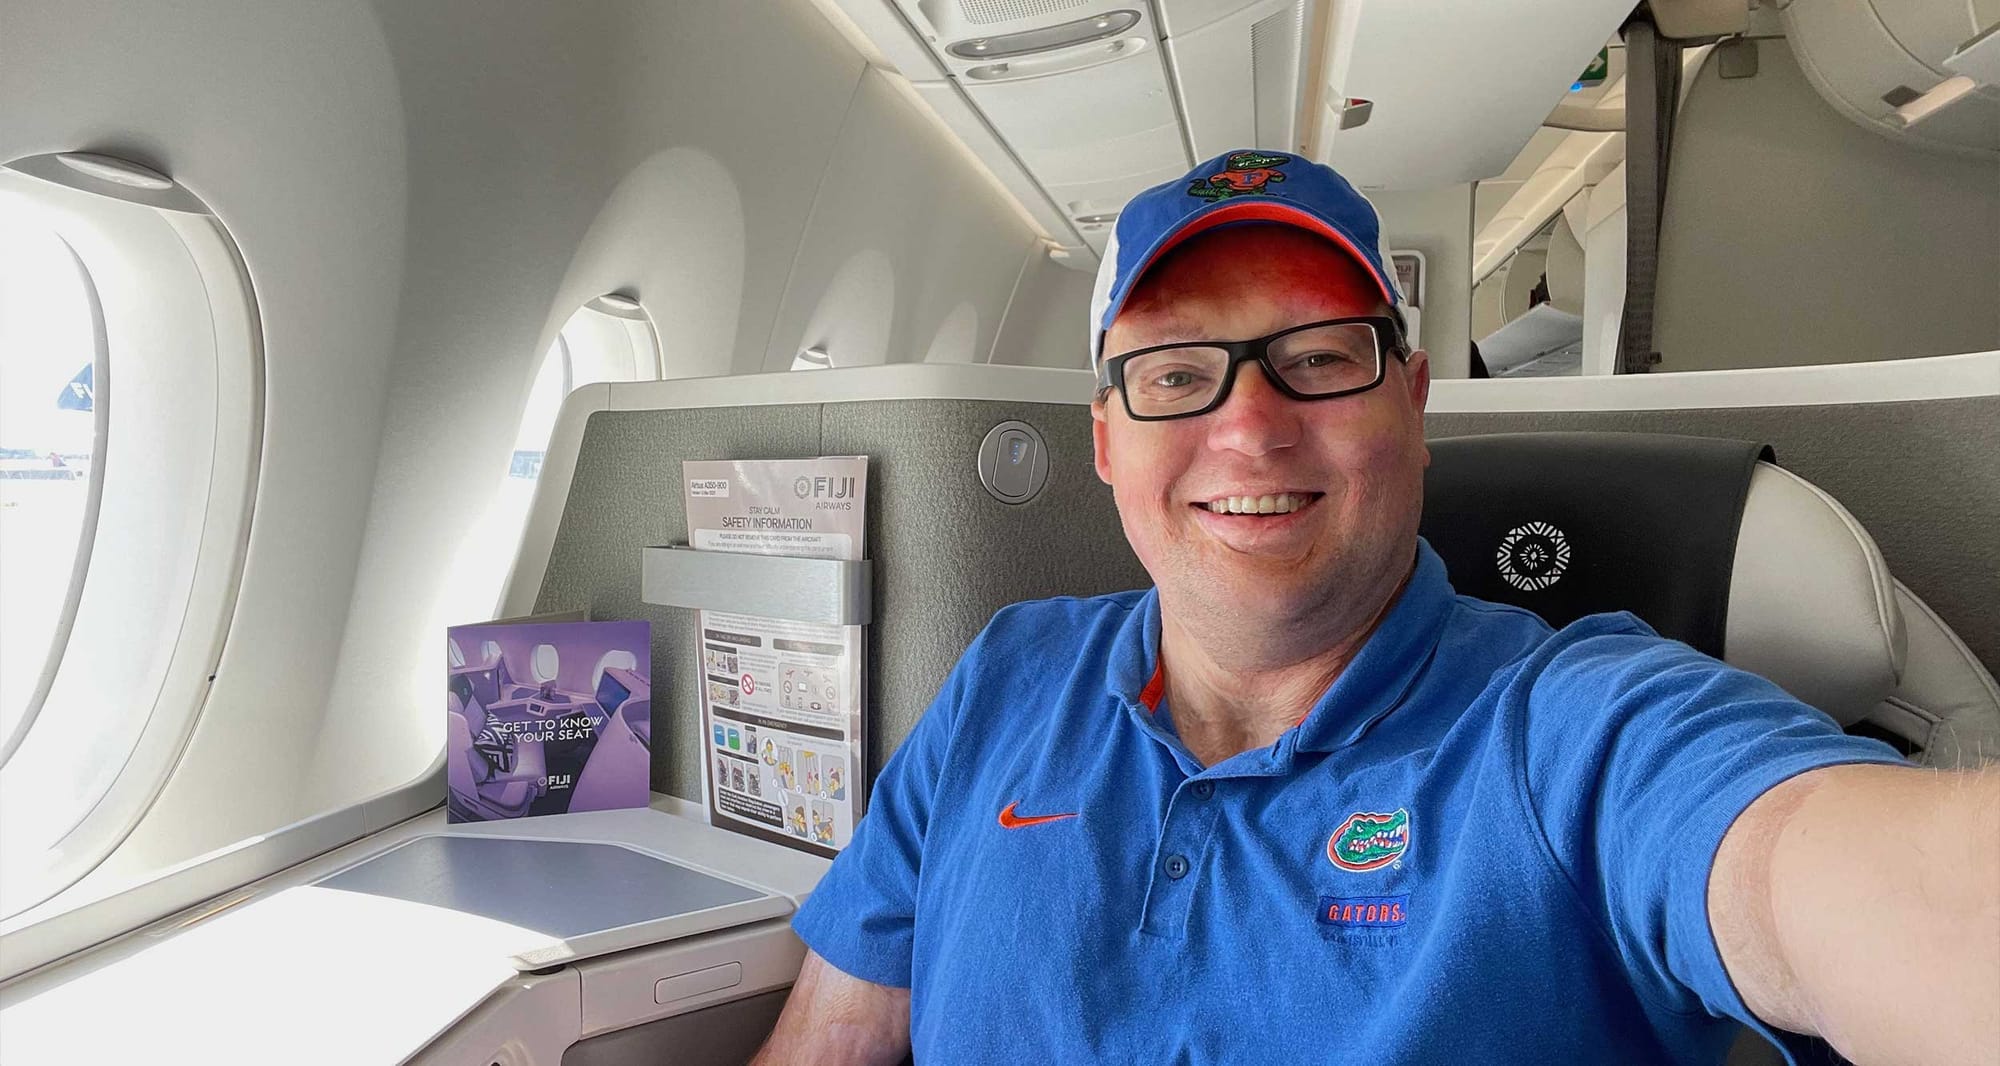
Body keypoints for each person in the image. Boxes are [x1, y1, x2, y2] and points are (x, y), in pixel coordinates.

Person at [752, 150, 1998, 1065]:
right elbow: (828, 1044)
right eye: (1176, 372)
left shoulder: (1569, 730)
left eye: (1316, 359)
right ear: (1104, 441)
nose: (1247, 425)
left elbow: (1815, 866)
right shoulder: (1005, 679)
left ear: (1409, 401)